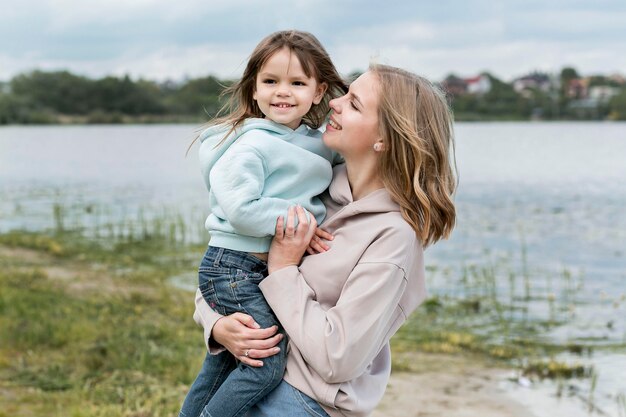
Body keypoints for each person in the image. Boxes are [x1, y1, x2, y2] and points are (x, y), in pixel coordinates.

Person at [192, 64, 458, 417]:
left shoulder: (393, 237)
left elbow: (339, 358)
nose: (334, 104)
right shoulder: (310, 187)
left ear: (384, 139)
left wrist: (283, 268)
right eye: (345, 94)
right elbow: (227, 269)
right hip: (250, 377)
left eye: (354, 104)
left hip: (305, 401)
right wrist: (218, 327)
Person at [178, 30, 347, 417]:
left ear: (319, 92)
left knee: (227, 360)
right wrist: (299, 226)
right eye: (270, 81)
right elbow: (240, 207)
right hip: (233, 265)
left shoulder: (316, 143)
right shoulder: (248, 144)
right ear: (253, 89)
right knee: (266, 364)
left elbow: (348, 164)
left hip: (255, 266)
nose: (282, 92)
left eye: (297, 83)